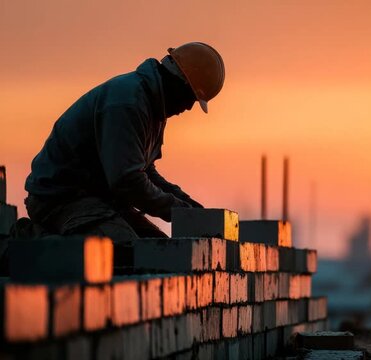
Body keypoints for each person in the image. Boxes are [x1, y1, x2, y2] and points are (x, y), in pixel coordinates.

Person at [21, 42, 225, 242]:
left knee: (158, 247)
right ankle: (29, 239)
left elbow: (144, 171)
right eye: (190, 98)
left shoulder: (153, 107)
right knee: (129, 252)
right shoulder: (127, 103)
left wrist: (186, 204)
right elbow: (127, 180)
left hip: (100, 199)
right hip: (60, 198)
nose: (189, 107)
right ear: (178, 82)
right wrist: (179, 210)